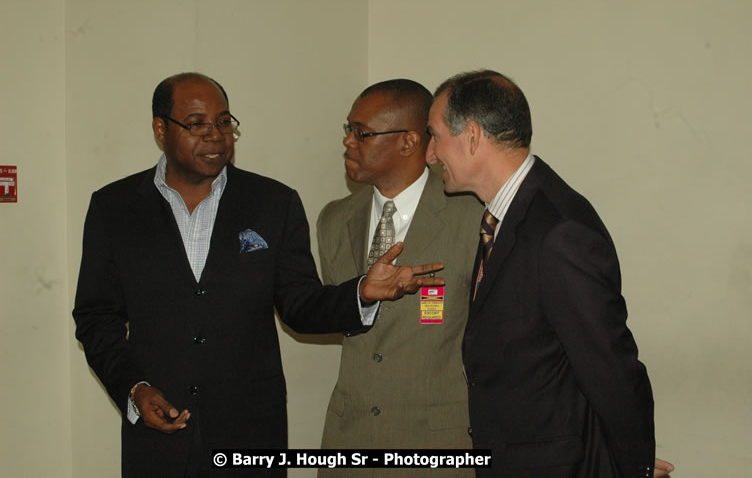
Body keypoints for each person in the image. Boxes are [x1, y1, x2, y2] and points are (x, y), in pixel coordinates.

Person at [72, 72, 444, 477]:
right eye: (197, 124)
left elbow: (300, 305)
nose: (215, 135)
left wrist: (361, 294)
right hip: (157, 440)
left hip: (249, 439)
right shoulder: (115, 208)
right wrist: (134, 389)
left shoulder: (273, 203)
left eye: (224, 122)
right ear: (161, 129)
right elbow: (97, 319)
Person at [425, 70, 667, 477]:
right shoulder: (506, 215)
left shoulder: (558, 230)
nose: (431, 155)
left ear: (471, 136)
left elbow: (611, 367)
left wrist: (635, 466)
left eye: (434, 135)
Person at [316, 79, 482, 477]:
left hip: (436, 446)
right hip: (349, 442)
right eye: (348, 130)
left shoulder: (473, 217)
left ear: (408, 142)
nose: (348, 142)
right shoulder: (333, 220)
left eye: (362, 133)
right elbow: (340, 319)